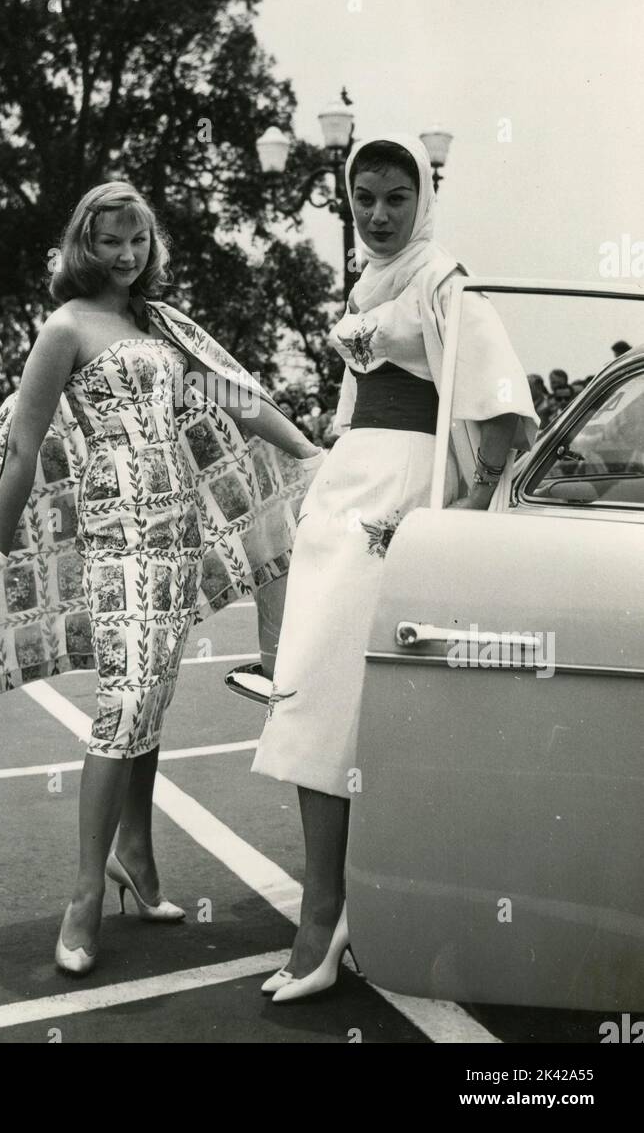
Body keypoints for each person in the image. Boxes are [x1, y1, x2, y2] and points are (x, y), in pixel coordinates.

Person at [0, 181, 322, 976]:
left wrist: (317, 457)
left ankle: (136, 859)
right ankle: (83, 895)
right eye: (110, 240)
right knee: (124, 707)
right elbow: (22, 448)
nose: (126, 254)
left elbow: (238, 403)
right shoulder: (65, 327)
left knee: (151, 699)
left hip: (175, 538)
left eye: (137, 240)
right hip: (116, 545)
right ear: (84, 244)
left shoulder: (163, 325)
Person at [252, 135, 538, 1003]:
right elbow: (355, 394)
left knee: (363, 701)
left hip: (402, 499)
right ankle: (334, 906)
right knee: (310, 689)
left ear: (423, 201)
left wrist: (455, 511)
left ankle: (331, 912)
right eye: (364, 198)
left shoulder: (444, 279)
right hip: (347, 487)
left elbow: (502, 416)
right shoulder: (366, 281)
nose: (378, 215)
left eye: (395, 199)